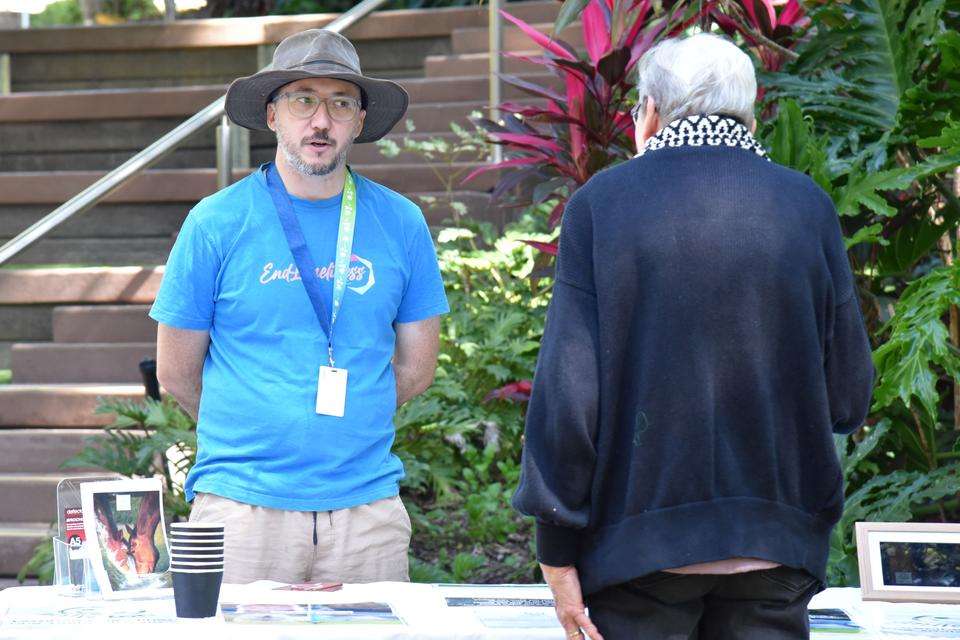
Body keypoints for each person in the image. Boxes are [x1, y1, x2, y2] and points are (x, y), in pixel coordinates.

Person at [512, 33, 874, 640]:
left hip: (641, 552)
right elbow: (848, 397)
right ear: (750, 114)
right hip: (775, 549)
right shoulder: (807, 206)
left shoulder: (602, 205)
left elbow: (569, 393)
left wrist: (555, 545)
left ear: (650, 112)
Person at [150, 28, 449, 585]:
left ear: (360, 121)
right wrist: (259, 430)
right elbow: (175, 370)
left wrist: (347, 420)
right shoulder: (216, 222)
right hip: (241, 511)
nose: (321, 121)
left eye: (340, 103)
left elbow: (417, 368)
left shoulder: (402, 223)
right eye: (303, 99)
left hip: (366, 515)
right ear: (272, 115)